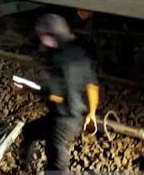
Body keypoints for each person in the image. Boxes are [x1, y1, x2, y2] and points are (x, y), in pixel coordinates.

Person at [15, 13, 99, 173]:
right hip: (77, 118)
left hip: (61, 122)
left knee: (56, 167)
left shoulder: (55, 60)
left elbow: (55, 96)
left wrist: (27, 89)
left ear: (49, 36)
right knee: (30, 130)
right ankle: (26, 167)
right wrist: (92, 114)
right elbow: (92, 87)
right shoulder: (79, 54)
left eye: (42, 35)